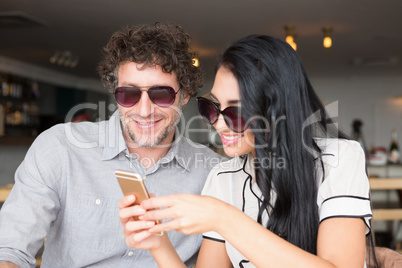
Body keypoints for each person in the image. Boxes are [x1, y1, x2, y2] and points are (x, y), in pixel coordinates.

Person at [118, 34, 378, 267]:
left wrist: (224, 219)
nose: (218, 124)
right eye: (212, 108)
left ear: (276, 112)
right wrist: (158, 242)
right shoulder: (223, 177)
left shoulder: (338, 159)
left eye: (236, 113)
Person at [0, 22, 223, 267]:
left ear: (185, 95)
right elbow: (10, 251)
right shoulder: (60, 147)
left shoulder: (213, 174)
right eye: (129, 94)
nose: (144, 110)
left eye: (161, 94)